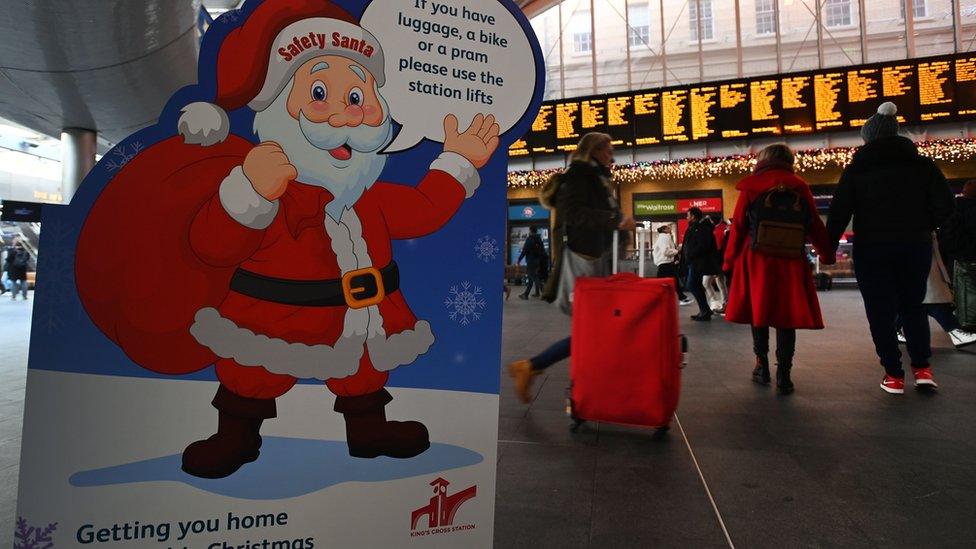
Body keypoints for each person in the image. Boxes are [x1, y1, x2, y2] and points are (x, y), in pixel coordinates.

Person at [826, 102, 955, 395]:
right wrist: (924, 225)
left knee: (879, 309)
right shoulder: (922, 165)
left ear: (868, 137)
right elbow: (946, 206)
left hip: (873, 246)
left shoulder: (858, 168)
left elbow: (838, 212)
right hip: (915, 244)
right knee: (913, 304)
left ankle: (893, 375)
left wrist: (829, 247)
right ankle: (923, 370)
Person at [508, 132, 635, 403]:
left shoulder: (599, 179)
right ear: (594, 151)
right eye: (608, 150)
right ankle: (548, 375)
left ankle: (543, 372)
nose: (612, 156)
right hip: (584, 260)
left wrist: (621, 232)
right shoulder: (580, 175)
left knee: (593, 329)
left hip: (595, 257)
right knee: (593, 328)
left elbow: (605, 216)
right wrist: (615, 220)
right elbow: (576, 215)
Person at [724, 144, 834, 394]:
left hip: (757, 259)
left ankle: (761, 365)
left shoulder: (751, 187)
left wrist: (729, 260)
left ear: (762, 160)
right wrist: (826, 253)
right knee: (787, 317)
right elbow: (813, 224)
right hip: (790, 259)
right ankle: (785, 373)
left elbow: (739, 226)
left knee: (758, 312)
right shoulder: (799, 185)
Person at [895, 232, 976, 349]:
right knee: (930, 297)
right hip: (914, 245)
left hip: (917, 245)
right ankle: (954, 331)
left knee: (918, 299)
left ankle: (893, 329)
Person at [941, 180, 976, 330]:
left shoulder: (957, 210)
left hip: (963, 256)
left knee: (965, 290)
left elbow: (949, 234)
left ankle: (968, 322)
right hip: (965, 254)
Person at [682, 208, 721, 321]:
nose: (686, 217)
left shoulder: (701, 228)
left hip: (698, 262)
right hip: (694, 262)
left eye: (688, 215)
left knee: (692, 285)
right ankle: (705, 310)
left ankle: (705, 310)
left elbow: (703, 245)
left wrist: (690, 254)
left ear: (693, 216)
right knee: (696, 285)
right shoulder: (694, 228)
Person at [653, 224, 692, 305]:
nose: (670, 229)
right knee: (671, 281)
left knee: (670, 281)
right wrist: (677, 251)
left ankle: (681, 297)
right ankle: (681, 298)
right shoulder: (665, 237)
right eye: (668, 228)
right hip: (665, 263)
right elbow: (666, 251)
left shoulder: (661, 237)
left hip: (664, 263)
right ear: (664, 230)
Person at [704, 216, 729, 314]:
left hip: (716, 262)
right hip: (721, 262)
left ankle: (717, 302)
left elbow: (717, 248)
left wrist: (715, 265)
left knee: (706, 282)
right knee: (721, 283)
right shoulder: (722, 229)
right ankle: (724, 304)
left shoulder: (717, 231)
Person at [517, 226, 546, 299]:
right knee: (531, 277)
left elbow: (525, 250)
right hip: (537, 260)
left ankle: (545, 292)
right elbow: (542, 250)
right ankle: (527, 294)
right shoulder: (539, 239)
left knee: (534, 277)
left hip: (531, 261)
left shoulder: (530, 239)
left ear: (530, 231)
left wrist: (519, 259)